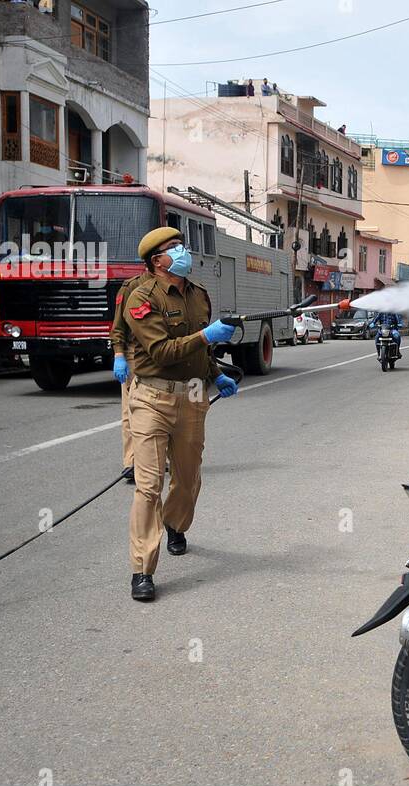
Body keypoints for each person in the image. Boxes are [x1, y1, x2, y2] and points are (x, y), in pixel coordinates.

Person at [119, 227, 239, 601]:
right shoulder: (140, 297)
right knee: (149, 484)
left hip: (192, 396)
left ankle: (175, 524)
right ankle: (142, 569)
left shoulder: (198, 294)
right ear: (157, 261)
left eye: (181, 245)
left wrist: (216, 373)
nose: (183, 252)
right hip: (152, 399)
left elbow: (198, 351)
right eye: (175, 248)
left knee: (188, 479)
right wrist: (207, 337)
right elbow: (163, 351)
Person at [110, 269, 153, 484]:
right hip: (135, 355)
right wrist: (119, 355)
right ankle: (132, 463)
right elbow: (118, 326)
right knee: (132, 410)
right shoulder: (131, 287)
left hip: (166, 357)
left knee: (167, 409)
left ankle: (161, 459)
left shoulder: (179, 285)